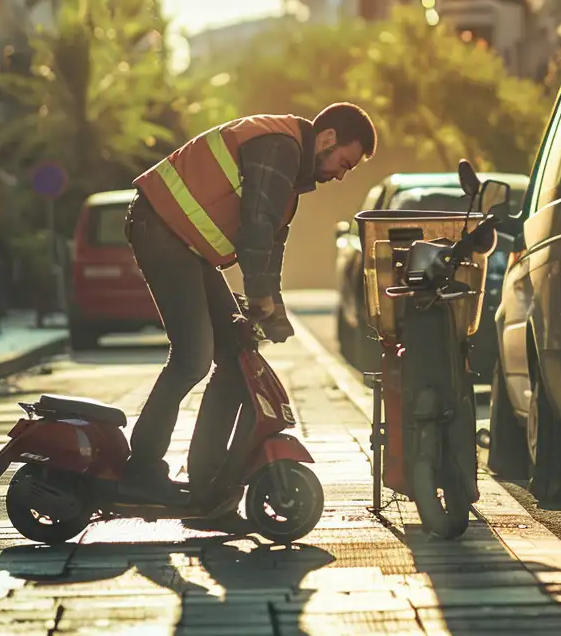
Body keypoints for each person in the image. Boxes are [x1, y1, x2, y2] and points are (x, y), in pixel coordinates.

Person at [122, 103, 376, 511]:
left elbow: (272, 243)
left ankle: (206, 480)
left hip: (184, 243)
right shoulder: (280, 147)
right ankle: (141, 471)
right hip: (162, 230)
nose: (340, 175)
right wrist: (260, 300)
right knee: (192, 358)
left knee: (234, 351)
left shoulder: (292, 172)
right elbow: (255, 226)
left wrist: (274, 306)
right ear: (327, 139)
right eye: (344, 163)